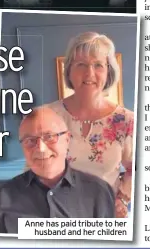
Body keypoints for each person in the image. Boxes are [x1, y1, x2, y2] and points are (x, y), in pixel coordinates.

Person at [43, 32, 134, 218]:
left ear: (108, 71)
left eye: (98, 65)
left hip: (106, 215)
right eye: (81, 64)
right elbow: (33, 168)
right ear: (69, 70)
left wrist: (123, 198)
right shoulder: (46, 116)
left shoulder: (126, 120)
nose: (89, 73)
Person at [0, 107, 115, 234]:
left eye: (49, 136)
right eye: (30, 140)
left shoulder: (99, 192)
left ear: (67, 139)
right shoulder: (0, 197)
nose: (41, 148)